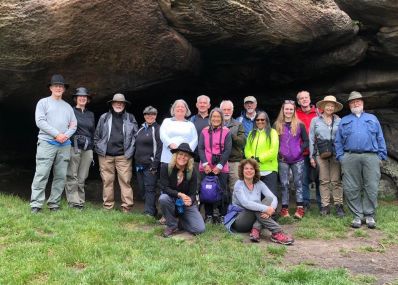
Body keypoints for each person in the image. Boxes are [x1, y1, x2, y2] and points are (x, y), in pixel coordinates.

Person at [335, 91, 387, 229]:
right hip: (350, 156)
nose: (355, 103)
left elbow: (380, 137)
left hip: (371, 156)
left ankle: (369, 214)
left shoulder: (372, 118)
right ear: (349, 105)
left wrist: (381, 155)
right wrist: (341, 157)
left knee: (371, 186)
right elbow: (338, 141)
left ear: (362, 103)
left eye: (358, 101)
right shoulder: (344, 120)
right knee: (351, 187)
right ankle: (357, 216)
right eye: (352, 102)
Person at [30, 74, 77, 213]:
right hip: (46, 143)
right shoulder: (43, 102)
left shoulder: (68, 107)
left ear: (64, 89)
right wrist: (57, 134)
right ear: (50, 88)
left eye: (61, 86)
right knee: (42, 173)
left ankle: (54, 203)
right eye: (55, 85)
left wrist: (64, 136)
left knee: (61, 176)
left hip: (64, 145)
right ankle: (36, 204)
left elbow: (73, 125)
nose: (58, 88)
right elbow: (40, 121)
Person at [224, 159, 294, 245]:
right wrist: (266, 209)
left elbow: (273, 198)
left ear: (255, 171)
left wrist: (271, 209)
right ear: (242, 171)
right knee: (254, 206)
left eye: (251, 169)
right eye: (246, 168)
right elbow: (246, 203)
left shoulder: (259, 183)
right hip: (240, 221)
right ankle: (277, 231)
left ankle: (256, 229)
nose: (249, 171)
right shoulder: (239, 184)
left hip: (255, 217)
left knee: (268, 199)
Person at [94, 93, 138, 212]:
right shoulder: (104, 117)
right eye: (116, 102)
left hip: (124, 156)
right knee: (107, 181)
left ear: (124, 105)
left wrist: (130, 150)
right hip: (105, 155)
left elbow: (135, 136)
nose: (119, 104)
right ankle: (108, 206)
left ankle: (126, 207)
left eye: (121, 103)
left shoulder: (130, 118)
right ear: (112, 104)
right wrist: (98, 148)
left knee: (125, 181)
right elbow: (97, 135)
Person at [158, 143, 205, 237]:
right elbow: (165, 188)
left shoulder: (192, 172)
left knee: (200, 229)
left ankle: (180, 223)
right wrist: (179, 194)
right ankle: (171, 225)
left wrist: (190, 200)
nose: (182, 157)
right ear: (175, 155)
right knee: (163, 198)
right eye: (180, 154)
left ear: (189, 159)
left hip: (185, 203)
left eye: (186, 155)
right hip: (171, 199)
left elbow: (193, 192)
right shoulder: (166, 168)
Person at [309, 95, 345, 217]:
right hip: (320, 153)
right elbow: (311, 139)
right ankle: (325, 206)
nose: (330, 107)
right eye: (327, 105)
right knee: (323, 181)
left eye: (332, 105)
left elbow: (343, 137)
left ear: (335, 107)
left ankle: (339, 205)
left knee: (336, 181)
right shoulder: (315, 120)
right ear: (323, 107)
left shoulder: (339, 120)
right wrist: (311, 156)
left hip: (335, 153)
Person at [274, 100, 309, 219]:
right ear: (283, 110)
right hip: (283, 159)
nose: (288, 111)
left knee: (298, 183)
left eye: (291, 109)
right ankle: (284, 208)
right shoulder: (277, 125)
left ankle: (300, 208)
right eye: (286, 109)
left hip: (298, 159)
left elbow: (306, 141)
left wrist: (299, 149)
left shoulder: (300, 124)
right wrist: (278, 152)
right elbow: (274, 142)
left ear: (294, 111)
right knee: (284, 184)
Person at [198, 108, 232, 223]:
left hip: (221, 166)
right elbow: (201, 148)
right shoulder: (204, 131)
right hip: (206, 166)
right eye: (214, 117)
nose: (216, 119)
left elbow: (228, 150)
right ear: (210, 118)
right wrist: (205, 164)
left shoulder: (227, 131)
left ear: (222, 118)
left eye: (218, 117)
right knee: (207, 191)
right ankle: (209, 215)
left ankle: (222, 215)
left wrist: (220, 166)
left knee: (222, 190)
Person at [65, 87, 95, 210]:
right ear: (75, 98)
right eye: (80, 96)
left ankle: (80, 201)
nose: (82, 98)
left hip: (87, 148)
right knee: (72, 174)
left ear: (87, 99)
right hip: (74, 145)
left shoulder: (90, 114)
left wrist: (92, 146)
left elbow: (92, 131)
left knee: (83, 176)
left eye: (85, 96)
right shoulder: (70, 111)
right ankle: (74, 202)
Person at [134, 106, 162, 217]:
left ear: (156, 116)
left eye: (153, 114)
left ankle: (148, 212)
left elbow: (159, 148)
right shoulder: (141, 128)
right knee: (142, 188)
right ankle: (152, 209)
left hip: (150, 165)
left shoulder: (158, 129)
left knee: (150, 188)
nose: (150, 116)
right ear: (144, 115)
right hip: (139, 164)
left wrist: (155, 164)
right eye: (147, 114)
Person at [296, 90, 321, 210]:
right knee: (303, 179)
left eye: (306, 97)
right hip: (302, 151)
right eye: (302, 98)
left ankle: (322, 204)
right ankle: (305, 204)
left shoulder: (318, 112)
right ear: (298, 101)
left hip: (317, 151)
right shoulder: (295, 114)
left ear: (310, 99)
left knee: (320, 178)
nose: (304, 100)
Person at [244, 111, 279, 197]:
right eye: (257, 120)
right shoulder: (252, 133)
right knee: (256, 196)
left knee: (269, 197)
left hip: (269, 170)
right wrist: (251, 158)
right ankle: (258, 211)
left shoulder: (272, 132)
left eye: (262, 119)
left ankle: (270, 211)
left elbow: (273, 151)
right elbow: (247, 149)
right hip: (255, 171)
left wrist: (259, 159)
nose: (260, 121)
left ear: (267, 120)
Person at [160, 99, 198, 164]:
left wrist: (186, 150)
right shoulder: (166, 121)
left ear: (186, 110)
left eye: (182, 107)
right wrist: (170, 144)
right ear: (173, 109)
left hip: (184, 158)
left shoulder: (190, 124)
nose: (180, 108)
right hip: (168, 156)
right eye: (178, 106)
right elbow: (162, 134)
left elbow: (195, 139)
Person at [220, 100, 245, 193]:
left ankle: (235, 207)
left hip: (234, 161)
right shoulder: (215, 123)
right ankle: (220, 207)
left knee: (235, 188)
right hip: (219, 161)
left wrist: (229, 133)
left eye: (229, 109)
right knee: (220, 187)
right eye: (224, 109)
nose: (226, 112)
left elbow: (242, 142)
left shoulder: (238, 125)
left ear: (232, 110)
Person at [189, 95, 211, 187]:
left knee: (210, 186)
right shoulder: (191, 120)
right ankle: (196, 201)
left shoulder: (213, 119)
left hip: (210, 159)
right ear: (196, 105)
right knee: (195, 185)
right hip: (195, 159)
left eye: (204, 103)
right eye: (200, 103)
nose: (202, 105)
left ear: (209, 105)